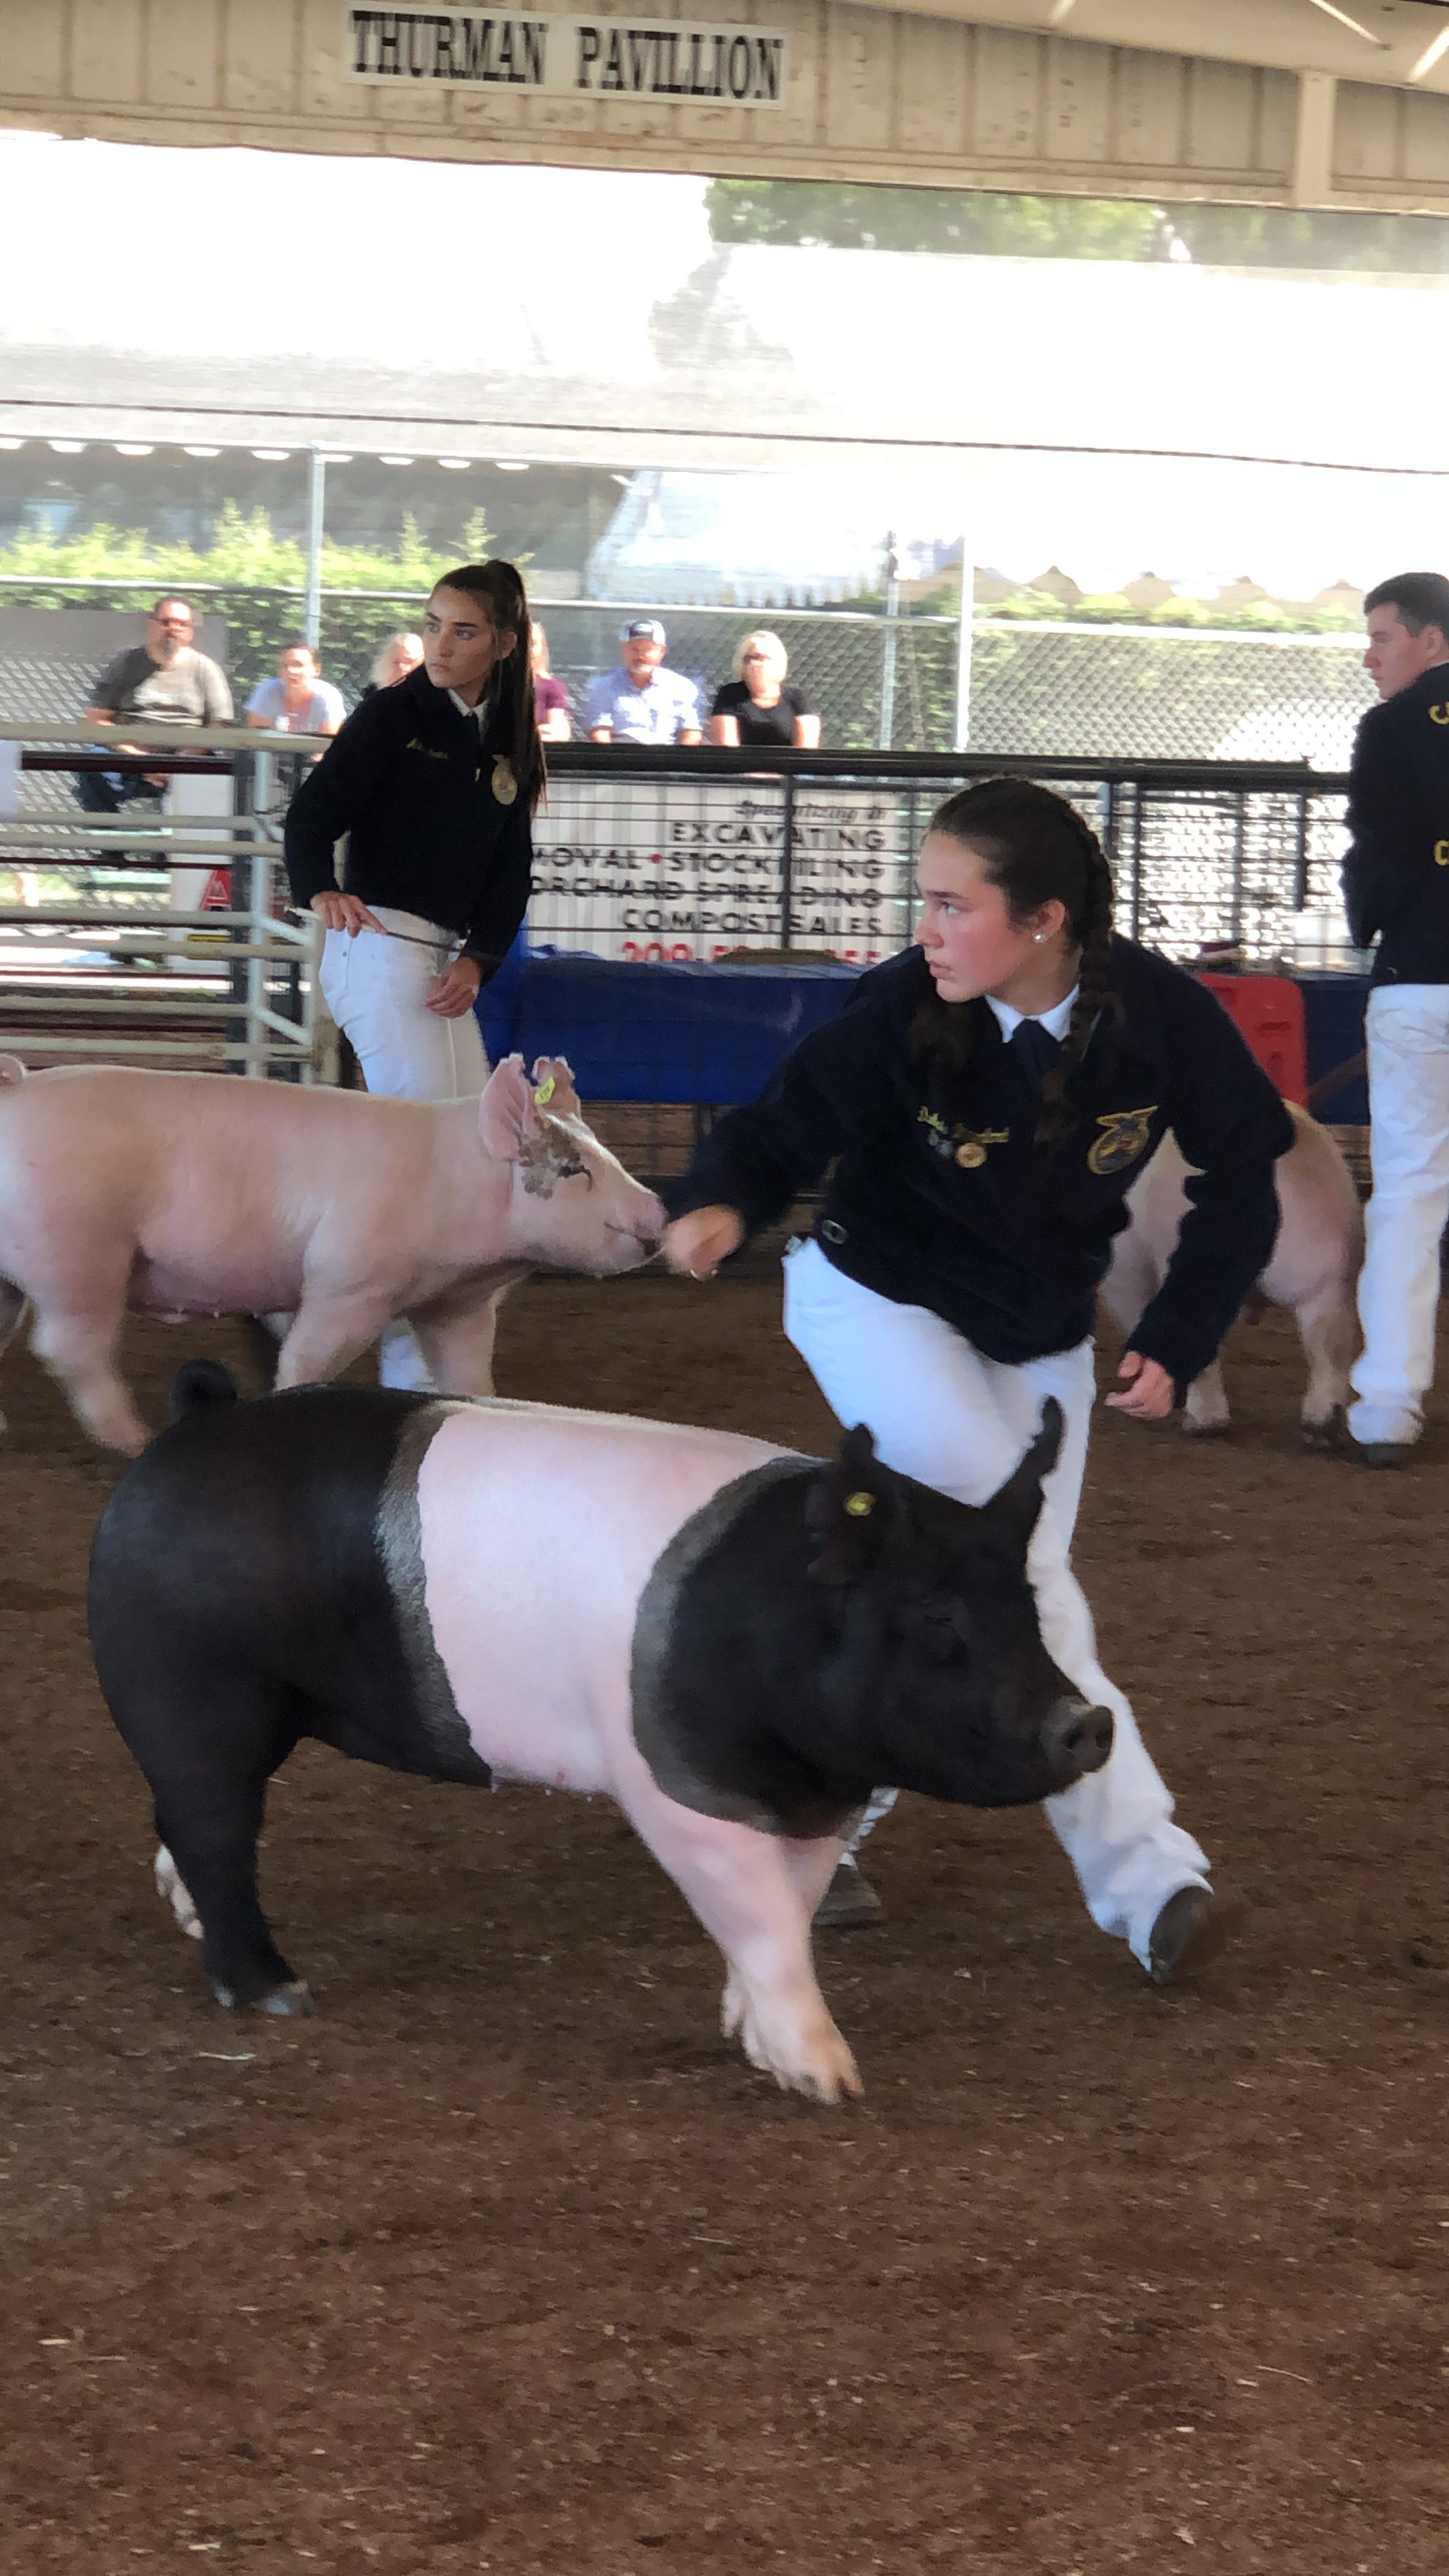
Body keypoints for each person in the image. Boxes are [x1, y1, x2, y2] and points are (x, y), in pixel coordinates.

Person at [662, 777, 1294, 1971]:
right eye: (924, 902)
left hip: (1041, 1329)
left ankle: (819, 1822)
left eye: (953, 905)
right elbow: (790, 1118)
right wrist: (722, 1202)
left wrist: (1181, 1328)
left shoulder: (1162, 1020)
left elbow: (1246, 1173)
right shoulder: (907, 1007)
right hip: (872, 1303)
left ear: (1045, 920)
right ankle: (1155, 1882)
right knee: (1024, 1577)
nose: (926, 929)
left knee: (974, 1589)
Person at [284, 559, 542, 1388]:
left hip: (432, 958)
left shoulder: (502, 742)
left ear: (502, 644)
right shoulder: (393, 715)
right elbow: (315, 809)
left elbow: (510, 872)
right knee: (438, 1167)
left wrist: (478, 959)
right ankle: (408, 1384)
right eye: (433, 625)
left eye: (462, 631)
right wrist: (317, 888)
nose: (439, 644)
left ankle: (442, 1381)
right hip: (383, 942)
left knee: (474, 1152)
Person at [1340, 569, 1449, 1467]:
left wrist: (1367, 916)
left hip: (1419, 978)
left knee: (1410, 1189)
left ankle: (1386, 1405)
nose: (1370, 655)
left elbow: (1373, 855)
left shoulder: (1390, 730)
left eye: (1382, 636)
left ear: (1432, 641)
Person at [80, 595, 232, 812]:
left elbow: (220, 726)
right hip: (128, 755)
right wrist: (137, 756)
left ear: (190, 632)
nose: (173, 629)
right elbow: (96, 719)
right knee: (90, 763)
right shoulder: (125, 664)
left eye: (181, 624)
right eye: (166, 622)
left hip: (186, 761)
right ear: (151, 625)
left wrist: (177, 763)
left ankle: (190, 845)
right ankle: (112, 842)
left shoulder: (206, 670)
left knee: (218, 772)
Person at [583, 619, 702, 745]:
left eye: (648, 649)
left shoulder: (682, 687)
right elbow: (599, 732)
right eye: (634, 649)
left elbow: (691, 733)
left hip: (667, 758)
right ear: (623, 650)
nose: (640, 656)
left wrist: (679, 762)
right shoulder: (602, 687)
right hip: (622, 756)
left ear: (662, 651)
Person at [707, 631, 820, 749]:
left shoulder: (797, 698)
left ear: (777, 662)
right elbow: (726, 747)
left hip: (787, 766)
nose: (753, 663)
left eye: (760, 658)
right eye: (748, 658)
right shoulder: (729, 695)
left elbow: (808, 747)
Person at [245, 640, 345, 740]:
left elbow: (329, 744)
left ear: (316, 670)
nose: (291, 671)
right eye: (285, 666)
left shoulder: (328, 696)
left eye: (299, 665)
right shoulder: (266, 692)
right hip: (274, 752)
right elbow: (258, 741)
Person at [531, 622, 572, 741]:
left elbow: (560, 732)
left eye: (533, 644)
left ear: (541, 648)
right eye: (522, 643)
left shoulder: (551, 686)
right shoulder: (494, 684)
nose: (527, 650)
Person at [364, 631, 424, 697]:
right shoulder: (372, 693)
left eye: (408, 662)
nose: (401, 667)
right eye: (397, 662)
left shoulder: (425, 696)